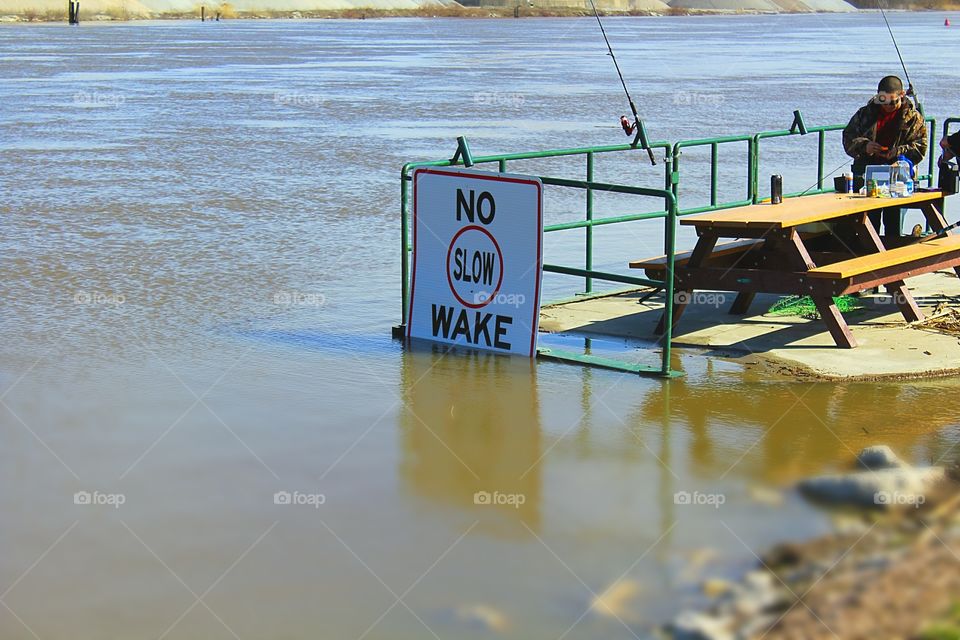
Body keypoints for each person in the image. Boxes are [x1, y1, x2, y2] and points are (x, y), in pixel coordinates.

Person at [842, 75, 927, 238]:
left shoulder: (914, 118)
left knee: (893, 221)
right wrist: (865, 146)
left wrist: (898, 152)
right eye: (883, 101)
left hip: (897, 176)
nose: (888, 106)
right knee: (868, 221)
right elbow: (848, 137)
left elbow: (920, 147)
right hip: (867, 174)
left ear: (902, 95)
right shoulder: (864, 114)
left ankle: (892, 253)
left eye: (893, 102)